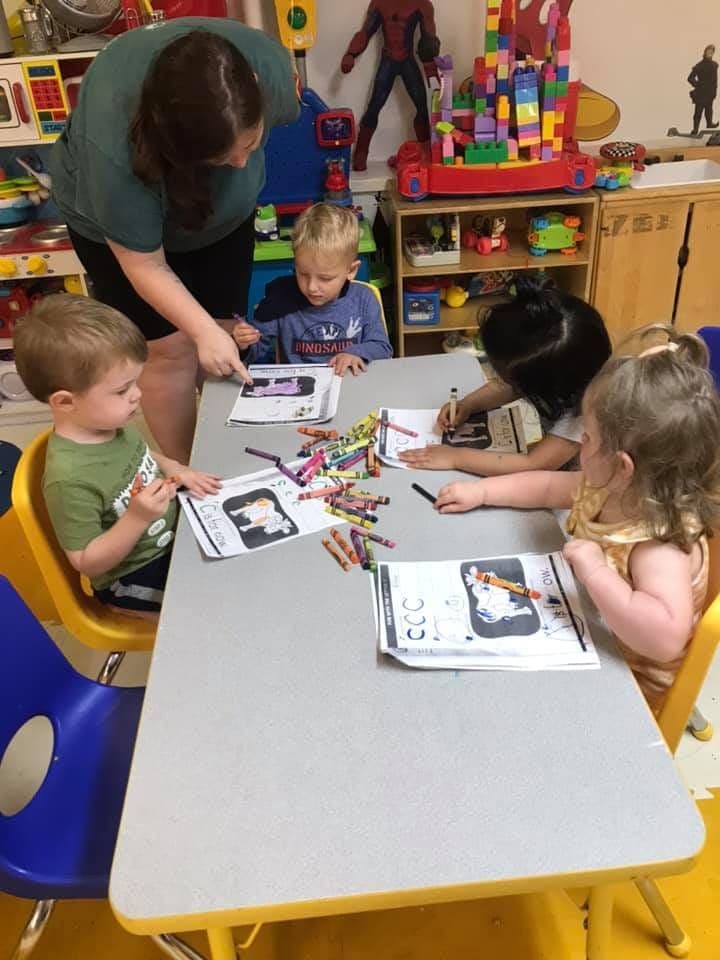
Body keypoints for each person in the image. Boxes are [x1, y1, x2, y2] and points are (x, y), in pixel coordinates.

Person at [50, 21, 300, 463]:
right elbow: (145, 265)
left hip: (221, 220)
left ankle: (228, 452)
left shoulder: (268, 71)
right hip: (119, 230)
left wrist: (212, 332)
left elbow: (217, 332)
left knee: (224, 332)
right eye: (223, 158)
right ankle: (191, 471)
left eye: (251, 142)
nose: (242, 164)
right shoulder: (114, 148)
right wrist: (198, 331)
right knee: (169, 351)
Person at [435, 331, 720, 712]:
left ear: (623, 467)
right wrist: (483, 493)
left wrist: (598, 573)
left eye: (586, 438)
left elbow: (664, 639)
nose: (577, 444)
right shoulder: (611, 486)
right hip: (589, 629)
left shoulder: (658, 544)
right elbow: (550, 486)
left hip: (628, 687)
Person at [13, 295, 221, 619]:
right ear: (66, 402)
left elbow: (141, 453)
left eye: (135, 382)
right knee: (215, 611)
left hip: (173, 537)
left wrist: (178, 469)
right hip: (132, 576)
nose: (137, 394)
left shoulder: (107, 424)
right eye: (122, 390)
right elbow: (85, 560)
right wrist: (136, 518)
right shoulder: (68, 478)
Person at [399, 276, 610, 473]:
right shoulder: (557, 370)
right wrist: (468, 405)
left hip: (575, 488)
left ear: (544, 387)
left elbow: (531, 464)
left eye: (512, 380)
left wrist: (455, 457)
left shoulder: (586, 414)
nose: (503, 381)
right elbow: (508, 387)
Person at [232, 204, 393, 376]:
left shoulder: (363, 299)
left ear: (351, 271)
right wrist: (243, 345)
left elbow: (382, 347)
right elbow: (254, 350)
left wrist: (355, 352)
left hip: (350, 385)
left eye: (325, 278)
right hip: (298, 391)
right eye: (302, 274)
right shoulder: (280, 297)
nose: (311, 287)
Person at [340, 0, 440, 170]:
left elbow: (429, 41)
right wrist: (351, 54)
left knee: (422, 107)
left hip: (407, 59)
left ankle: (426, 152)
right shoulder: (380, 3)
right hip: (388, 60)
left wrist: (431, 70)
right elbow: (365, 33)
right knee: (374, 107)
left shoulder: (422, 4)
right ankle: (361, 152)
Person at [688, 44, 719, 136]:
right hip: (701, 93)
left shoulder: (714, 65)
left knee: (709, 109)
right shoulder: (699, 66)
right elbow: (690, 78)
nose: (709, 53)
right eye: (708, 51)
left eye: (711, 52)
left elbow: (715, 81)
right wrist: (698, 85)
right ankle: (695, 129)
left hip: (710, 92)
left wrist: (714, 91)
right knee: (698, 111)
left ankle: (709, 123)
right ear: (704, 52)